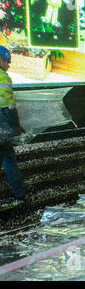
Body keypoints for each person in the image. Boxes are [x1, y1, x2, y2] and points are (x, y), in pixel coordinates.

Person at [0, 45, 26, 205]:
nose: (8, 66)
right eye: (7, 62)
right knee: (9, 160)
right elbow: (8, 106)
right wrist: (15, 126)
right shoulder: (3, 78)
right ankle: (20, 195)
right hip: (2, 130)